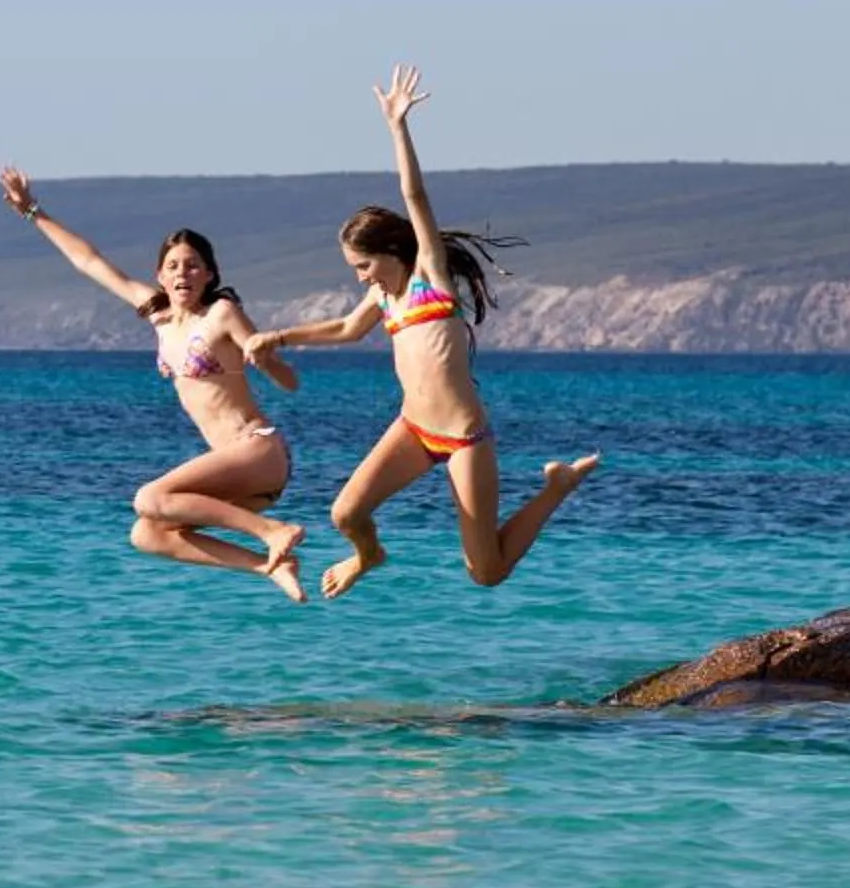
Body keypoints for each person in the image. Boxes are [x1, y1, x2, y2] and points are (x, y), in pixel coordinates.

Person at [252, 66, 600, 599]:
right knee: (345, 513)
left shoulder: (429, 279)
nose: (359, 277)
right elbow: (345, 328)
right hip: (413, 430)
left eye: (363, 265)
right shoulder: (383, 297)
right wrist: (278, 337)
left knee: (486, 572)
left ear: (392, 252)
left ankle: (556, 488)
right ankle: (369, 555)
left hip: (463, 440)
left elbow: (415, 196)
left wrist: (398, 127)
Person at [0, 167, 310, 600]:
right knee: (147, 533)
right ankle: (268, 566)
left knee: (149, 498)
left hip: (257, 450)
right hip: (237, 471)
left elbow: (289, 382)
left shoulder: (221, 315)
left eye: (193, 266)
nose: (183, 273)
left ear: (209, 275)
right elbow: (90, 262)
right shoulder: (159, 317)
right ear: (160, 276)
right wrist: (33, 211)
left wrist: (265, 358)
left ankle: (273, 531)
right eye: (173, 266)